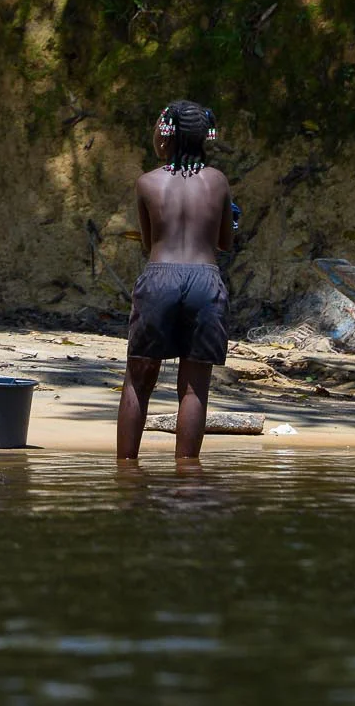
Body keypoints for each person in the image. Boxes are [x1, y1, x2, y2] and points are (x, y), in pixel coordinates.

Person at [117, 100, 234, 461]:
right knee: (194, 387)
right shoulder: (217, 181)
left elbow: (150, 244)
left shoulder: (147, 182)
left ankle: (127, 474)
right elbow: (225, 243)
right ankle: (187, 476)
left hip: (160, 278)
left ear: (166, 135)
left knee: (139, 378)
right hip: (205, 280)